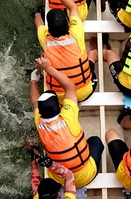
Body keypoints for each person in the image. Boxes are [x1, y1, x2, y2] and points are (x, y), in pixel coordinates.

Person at [30, 57, 104, 188]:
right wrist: (48, 68)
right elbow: (70, 86)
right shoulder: (68, 118)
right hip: (86, 176)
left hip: (61, 180)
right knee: (96, 141)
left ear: (40, 113)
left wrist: (33, 81)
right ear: (59, 107)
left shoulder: (39, 123)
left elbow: (35, 100)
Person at [33, 0, 97, 101]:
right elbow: (72, 6)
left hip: (60, 98)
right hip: (85, 93)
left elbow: (39, 24)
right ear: (68, 24)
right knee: (92, 54)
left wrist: (36, 13)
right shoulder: (76, 34)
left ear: (49, 31)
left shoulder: (45, 40)